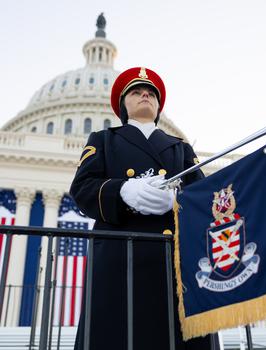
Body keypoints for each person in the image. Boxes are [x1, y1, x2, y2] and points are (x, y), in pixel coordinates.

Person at [70, 67, 219, 349]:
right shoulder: (103, 141)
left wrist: (177, 201)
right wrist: (123, 190)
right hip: (119, 258)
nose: (145, 96)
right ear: (123, 105)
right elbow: (82, 189)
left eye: (151, 93)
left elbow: (204, 198)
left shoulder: (181, 148)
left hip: (174, 259)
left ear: (159, 106)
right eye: (137, 92)